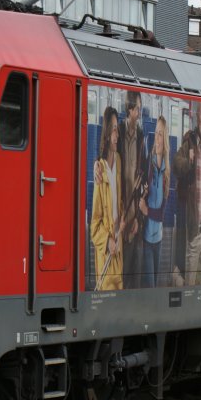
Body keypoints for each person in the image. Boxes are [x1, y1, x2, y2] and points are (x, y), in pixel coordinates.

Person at [175, 101, 201, 285]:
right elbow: (176, 165)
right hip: (193, 230)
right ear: (194, 118)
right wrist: (188, 162)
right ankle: (177, 280)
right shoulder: (189, 143)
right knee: (189, 286)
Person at [90, 107, 125, 291]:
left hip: (119, 250)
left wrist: (123, 221)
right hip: (107, 254)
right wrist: (108, 241)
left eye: (117, 129)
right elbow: (94, 225)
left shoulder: (118, 160)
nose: (116, 134)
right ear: (106, 133)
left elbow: (119, 204)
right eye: (112, 129)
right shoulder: (100, 170)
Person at [119, 91, 146, 289]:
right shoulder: (118, 132)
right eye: (137, 108)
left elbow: (142, 176)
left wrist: (138, 217)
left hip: (134, 213)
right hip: (120, 211)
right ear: (130, 110)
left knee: (135, 270)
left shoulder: (141, 135)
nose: (140, 112)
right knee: (122, 269)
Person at [143, 116, 170, 289]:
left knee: (154, 286)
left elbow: (161, 215)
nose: (157, 138)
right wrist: (143, 195)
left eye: (161, 134)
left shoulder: (167, 172)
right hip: (146, 239)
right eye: (156, 133)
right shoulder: (148, 164)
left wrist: (147, 211)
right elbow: (139, 192)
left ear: (165, 139)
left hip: (159, 241)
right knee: (151, 287)